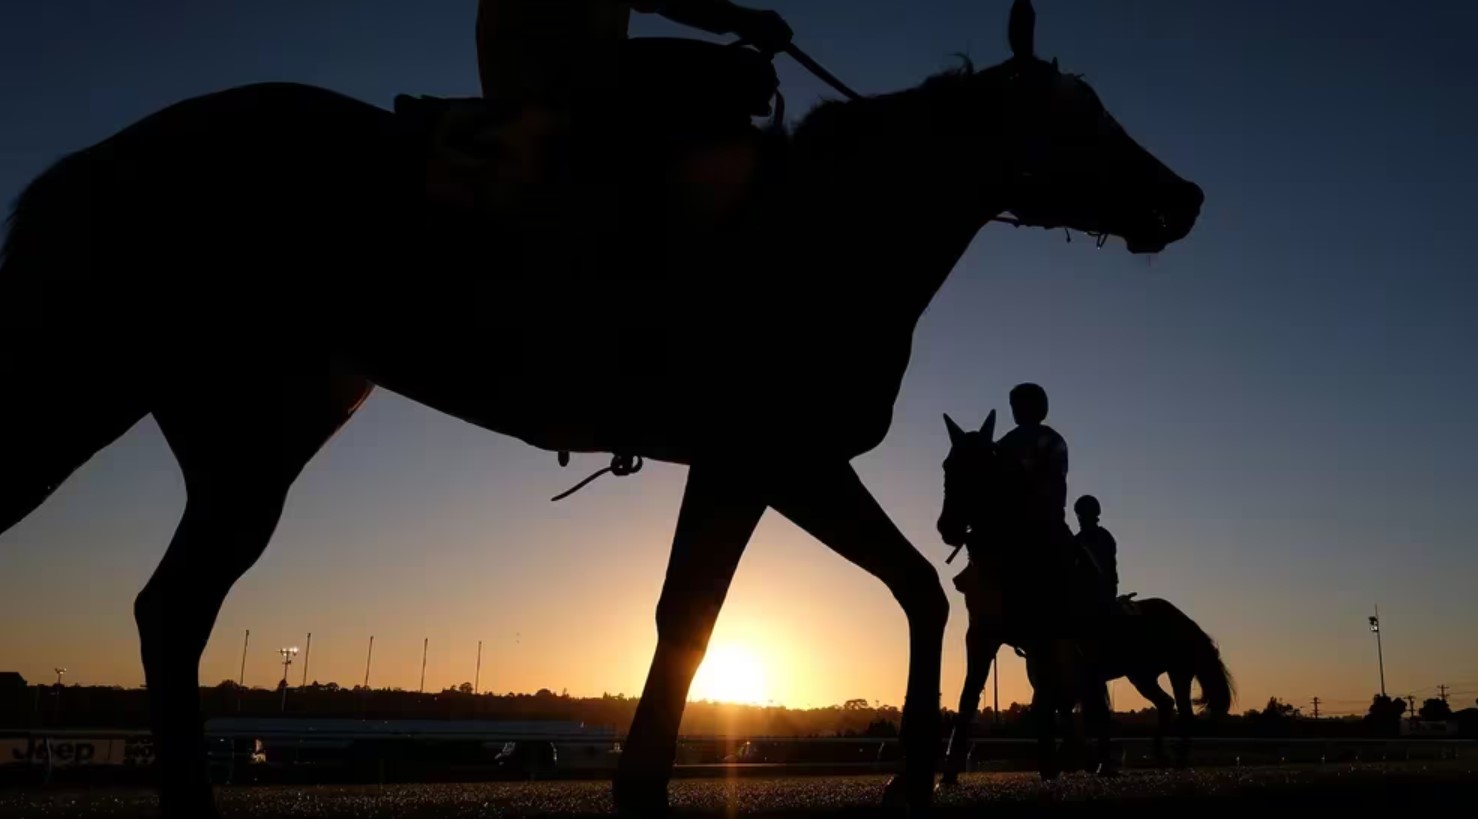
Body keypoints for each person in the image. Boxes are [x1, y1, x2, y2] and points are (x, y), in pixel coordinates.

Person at [1073, 494, 1118, 606]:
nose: (1080, 519)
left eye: (1081, 515)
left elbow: (1102, 571)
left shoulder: (1101, 537)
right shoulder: (1078, 539)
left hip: (1100, 595)